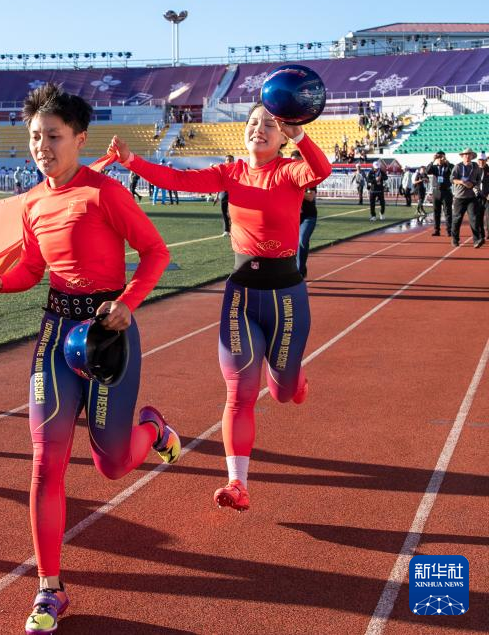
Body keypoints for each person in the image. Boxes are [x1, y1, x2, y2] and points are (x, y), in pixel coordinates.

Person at [0, 84, 179, 634]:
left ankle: (152, 430)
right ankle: (50, 588)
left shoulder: (106, 193)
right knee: (46, 461)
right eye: (35, 136)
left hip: (109, 334)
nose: (42, 146)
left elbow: (156, 253)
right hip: (57, 334)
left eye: (53, 136)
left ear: (79, 139)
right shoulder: (33, 202)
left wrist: (128, 305)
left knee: (111, 463)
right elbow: (32, 271)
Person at [107, 99, 332, 513]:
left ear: (283, 135)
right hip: (241, 296)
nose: (258, 129)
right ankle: (237, 484)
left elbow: (321, 170)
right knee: (239, 393)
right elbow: (176, 180)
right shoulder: (230, 173)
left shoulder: (289, 171)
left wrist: (300, 133)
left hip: (287, 299)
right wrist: (131, 160)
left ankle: (294, 379)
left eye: (269, 124)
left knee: (282, 392)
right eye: (252, 122)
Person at [450, 148, 484, 248]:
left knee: (474, 218)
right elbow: (452, 179)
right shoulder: (458, 166)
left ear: (472, 156)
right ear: (462, 156)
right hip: (459, 197)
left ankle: (476, 240)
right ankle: (455, 239)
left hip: (471, 197)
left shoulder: (475, 166)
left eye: (469, 154)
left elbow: (478, 179)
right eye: (465, 154)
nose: (467, 156)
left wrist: (473, 185)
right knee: (457, 219)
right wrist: (462, 182)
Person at [427, 151, 454, 237]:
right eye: (438, 158)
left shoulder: (448, 166)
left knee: (448, 212)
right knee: (436, 212)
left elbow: (453, 171)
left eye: (441, 157)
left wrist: (447, 161)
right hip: (436, 192)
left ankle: (449, 230)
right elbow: (427, 171)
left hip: (446, 191)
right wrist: (432, 160)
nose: (440, 159)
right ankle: (436, 230)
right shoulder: (434, 167)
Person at [216, 154, 234, 235]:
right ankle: (226, 230)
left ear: (233, 161)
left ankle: (234, 230)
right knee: (224, 213)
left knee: (233, 213)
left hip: (233, 194)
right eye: (227, 159)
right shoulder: (222, 171)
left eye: (230, 159)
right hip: (223, 194)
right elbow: (218, 184)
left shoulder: (236, 170)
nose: (229, 161)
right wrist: (217, 196)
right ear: (225, 161)